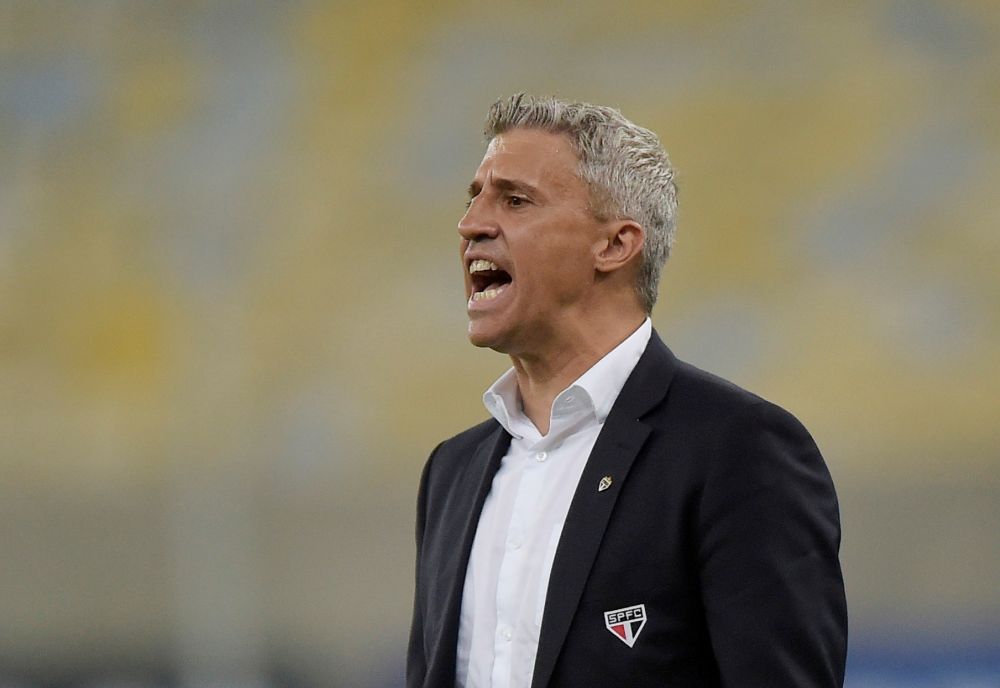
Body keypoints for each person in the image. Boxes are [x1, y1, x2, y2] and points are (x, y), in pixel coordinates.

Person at [407, 94, 847, 688]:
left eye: (514, 200)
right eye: (474, 197)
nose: (471, 224)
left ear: (614, 244)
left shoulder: (740, 450)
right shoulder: (451, 473)